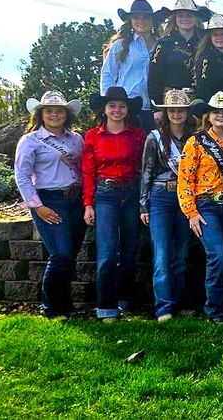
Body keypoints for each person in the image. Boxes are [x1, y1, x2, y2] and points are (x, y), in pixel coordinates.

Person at [178, 92, 223, 323]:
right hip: (206, 204)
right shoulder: (195, 142)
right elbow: (185, 178)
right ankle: (214, 310)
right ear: (208, 116)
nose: (221, 116)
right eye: (217, 112)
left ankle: (222, 306)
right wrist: (191, 211)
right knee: (217, 255)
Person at [14, 91, 85, 320]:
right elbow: (22, 176)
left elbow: (84, 168)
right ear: (41, 114)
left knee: (70, 255)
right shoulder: (30, 140)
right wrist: (37, 206)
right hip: (49, 200)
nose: (54, 114)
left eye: (59, 110)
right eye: (49, 110)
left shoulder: (76, 139)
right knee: (61, 254)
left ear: (66, 114)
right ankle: (52, 307)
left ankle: (65, 305)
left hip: (75, 199)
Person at [82, 86, 146, 321]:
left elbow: (144, 167)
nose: (117, 110)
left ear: (127, 110)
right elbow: (88, 171)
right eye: (112, 105)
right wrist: (88, 203)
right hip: (106, 193)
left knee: (130, 250)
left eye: (121, 106)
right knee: (107, 252)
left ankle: (126, 299)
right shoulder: (92, 136)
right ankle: (106, 306)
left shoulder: (138, 134)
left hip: (131, 191)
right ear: (104, 109)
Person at [140, 89, 197, 322]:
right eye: (171, 110)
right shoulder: (154, 137)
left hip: (186, 197)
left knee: (182, 252)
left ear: (187, 112)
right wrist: (143, 205)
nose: (176, 114)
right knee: (161, 253)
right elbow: (146, 172)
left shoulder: (196, 137)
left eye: (180, 110)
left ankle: (180, 302)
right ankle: (164, 307)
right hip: (161, 196)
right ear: (165, 113)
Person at [102, 0, 163, 131]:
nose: (141, 21)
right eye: (136, 17)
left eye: (146, 17)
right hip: (126, 108)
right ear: (130, 21)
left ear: (153, 20)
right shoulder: (121, 45)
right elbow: (108, 75)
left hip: (154, 109)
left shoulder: (162, 45)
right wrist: (108, 106)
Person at [150, 0, 211, 102]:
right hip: (170, 101)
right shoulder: (164, 43)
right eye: (181, 15)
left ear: (196, 18)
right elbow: (154, 76)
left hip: (199, 100)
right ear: (175, 18)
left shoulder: (206, 43)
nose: (185, 19)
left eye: (189, 15)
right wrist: (157, 108)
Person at [193, 14, 223, 100]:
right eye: (215, 35)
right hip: (214, 107)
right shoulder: (205, 59)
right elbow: (202, 90)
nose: (219, 38)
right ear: (210, 38)